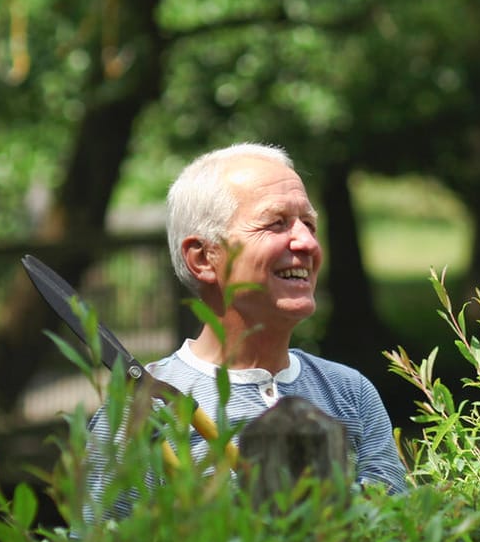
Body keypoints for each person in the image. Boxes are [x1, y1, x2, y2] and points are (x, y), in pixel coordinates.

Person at [84, 142, 408, 519]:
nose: (307, 242)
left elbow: (397, 539)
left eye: (310, 223)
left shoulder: (350, 393)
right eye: (276, 223)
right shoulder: (137, 412)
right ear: (204, 258)